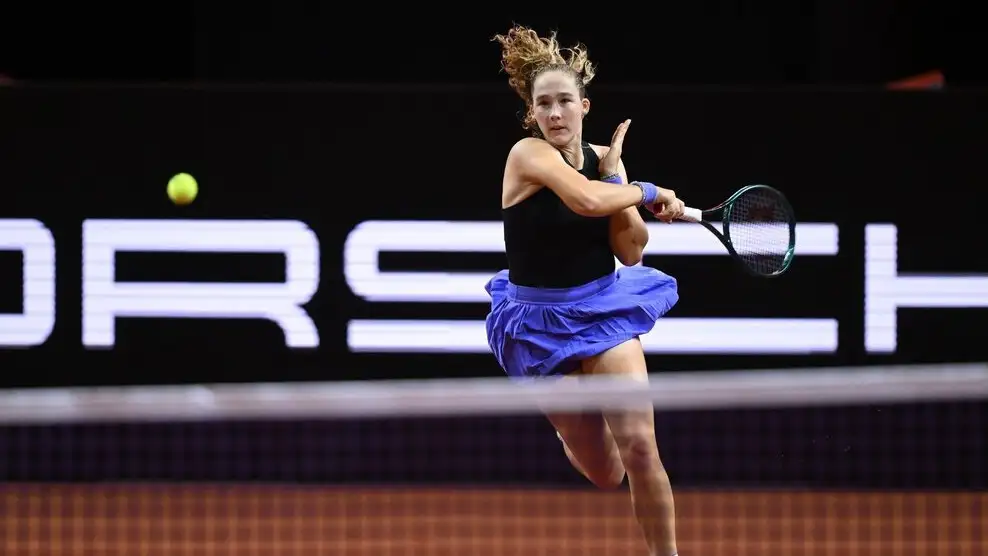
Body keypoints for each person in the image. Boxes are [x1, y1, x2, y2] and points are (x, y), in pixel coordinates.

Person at [487, 25, 684, 556]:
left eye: (564, 101)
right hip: (538, 324)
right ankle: (572, 433)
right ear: (532, 113)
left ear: (584, 106)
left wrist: (618, 178)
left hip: (603, 311)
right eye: (543, 104)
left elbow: (631, 251)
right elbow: (585, 202)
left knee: (640, 447)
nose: (555, 113)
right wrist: (649, 191)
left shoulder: (604, 162)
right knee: (605, 472)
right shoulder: (527, 155)